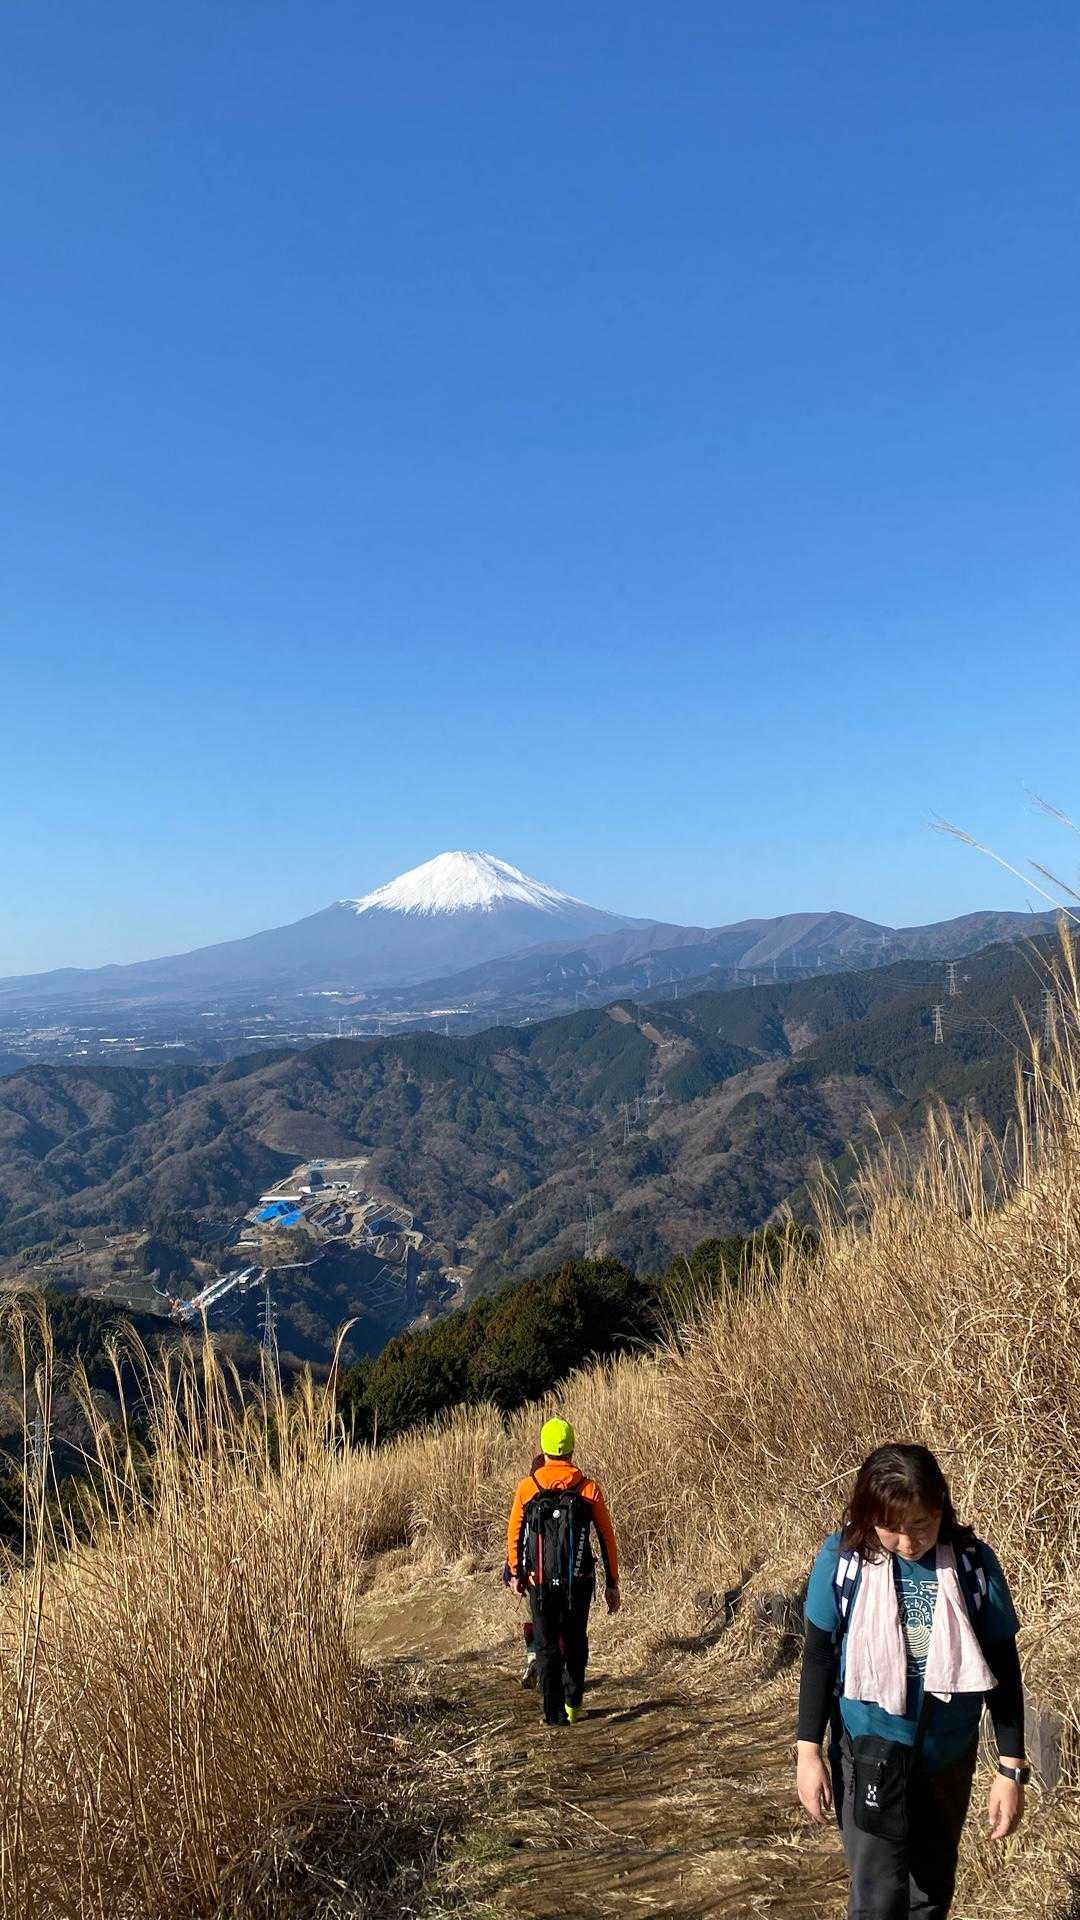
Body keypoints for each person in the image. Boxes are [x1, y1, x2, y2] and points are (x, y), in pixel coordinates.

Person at [796, 1443, 1027, 1919]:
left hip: (947, 1757)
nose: (907, 1541)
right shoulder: (842, 1560)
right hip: (869, 1754)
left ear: (941, 1506)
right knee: (877, 1900)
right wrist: (808, 1752)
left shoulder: (972, 1564)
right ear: (868, 1516)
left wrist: (1010, 1769)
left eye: (921, 1524)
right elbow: (818, 1657)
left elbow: (1003, 1667)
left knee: (931, 1895)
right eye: (892, 1527)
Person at [505, 1416, 620, 1726]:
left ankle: (553, 1714)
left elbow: (514, 1533)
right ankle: (573, 1705)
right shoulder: (588, 1489)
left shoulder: (528, 1487)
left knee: (545, 1646)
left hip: (539, 1582)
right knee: (575, 1640)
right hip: (579, 1581)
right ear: (572, 1448)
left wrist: (515, 1573)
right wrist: (612, 1583)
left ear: (543, 1449)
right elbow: (607, 1538)